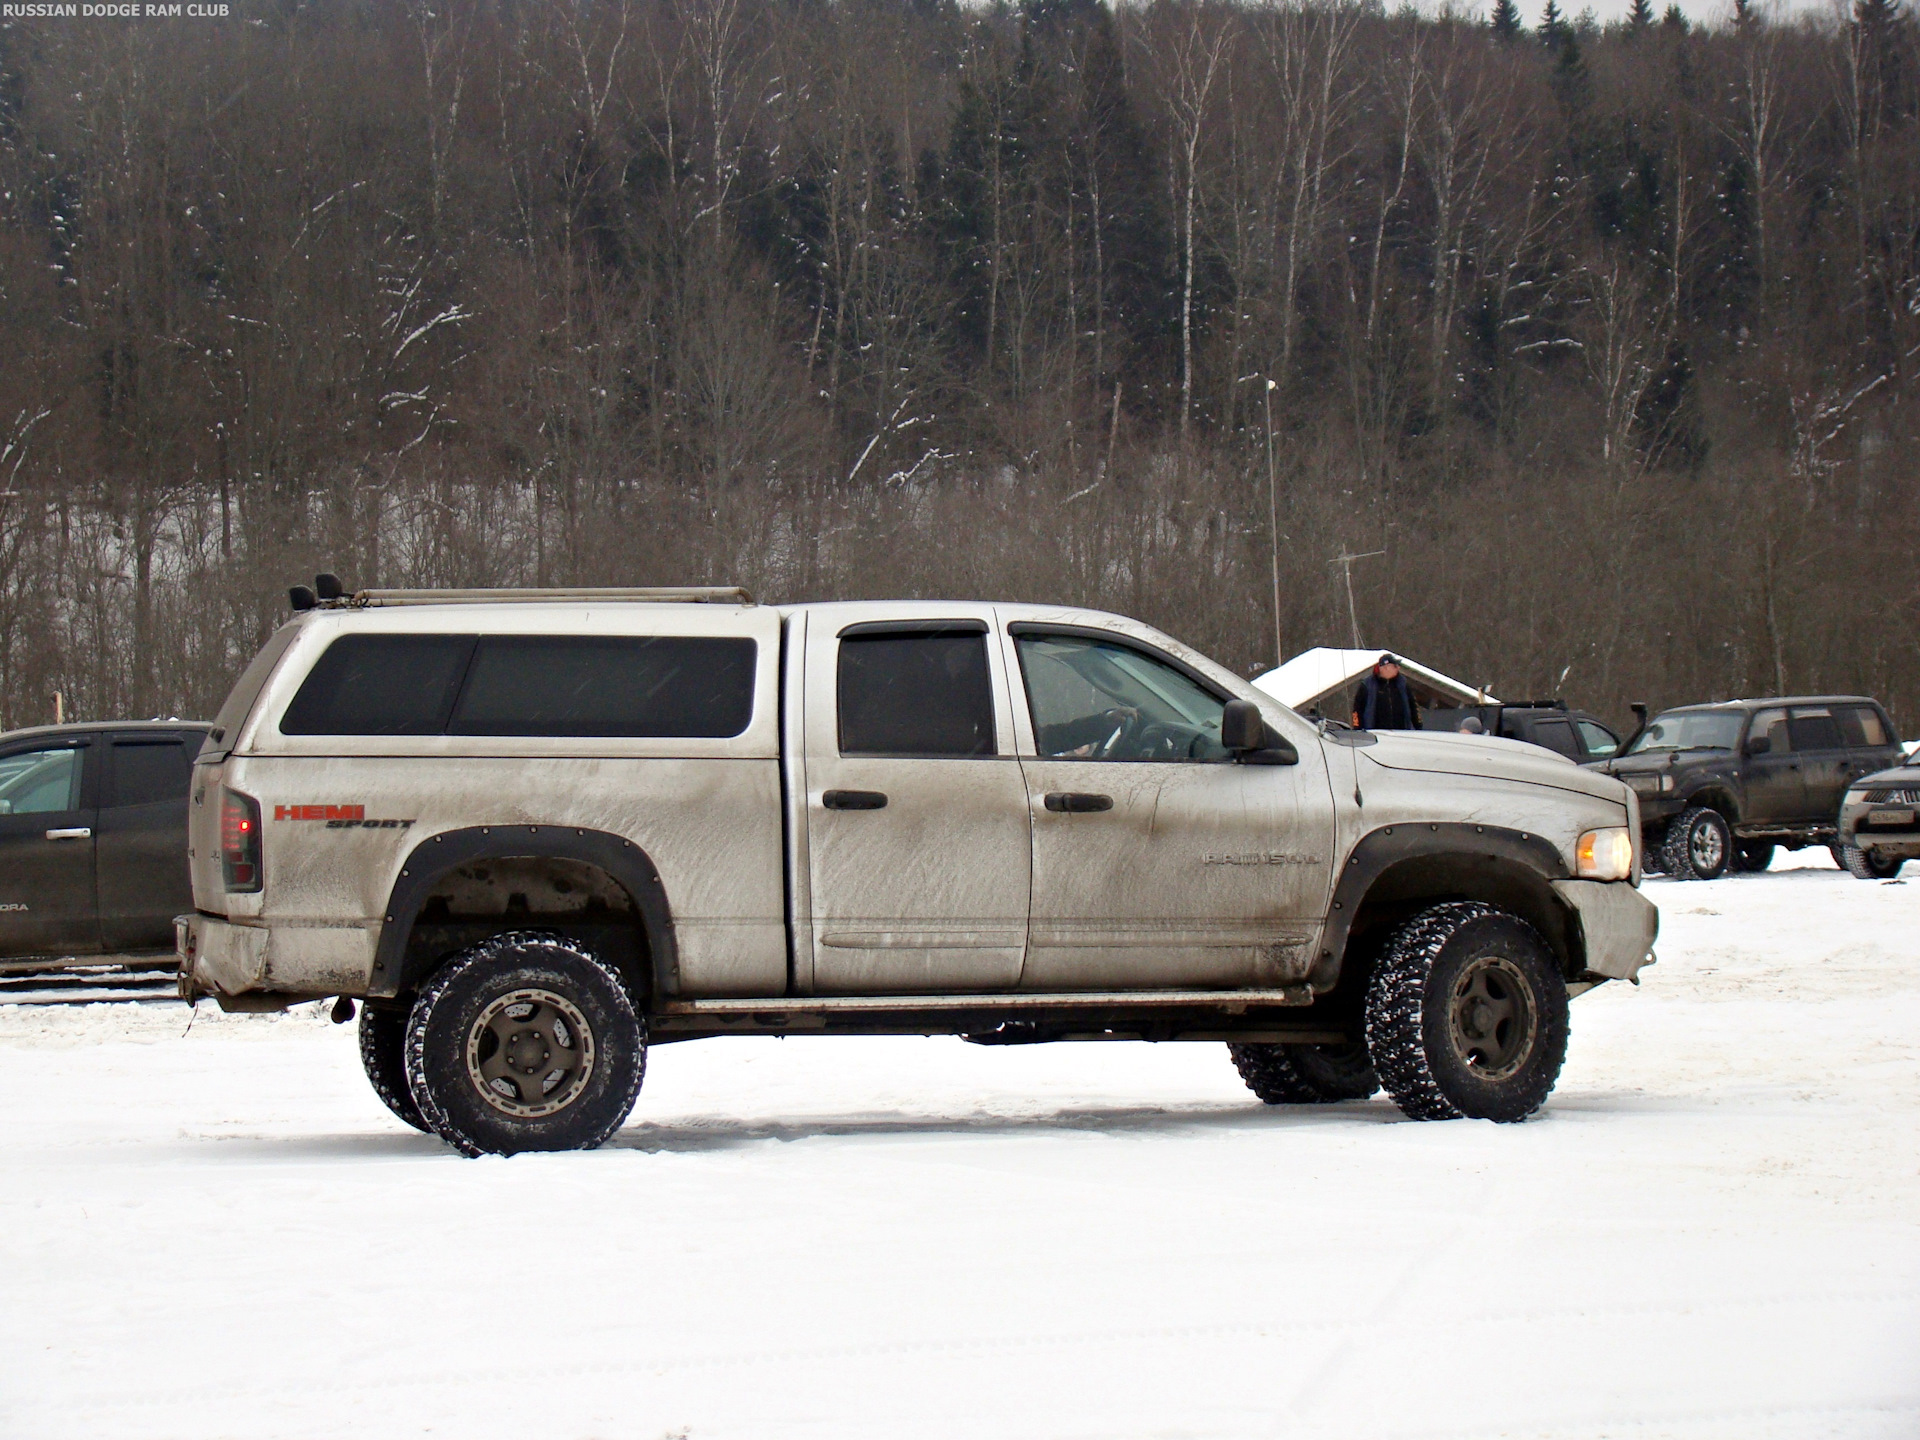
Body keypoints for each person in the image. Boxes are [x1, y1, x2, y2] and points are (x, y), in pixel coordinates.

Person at [1351, 654, 1422, 731]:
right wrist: (1357, 728)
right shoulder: (1367, 685)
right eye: (1395, 666)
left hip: (1402, 733)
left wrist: (1418, 726)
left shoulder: (1403, 684)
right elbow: (1357, 709)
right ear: (1385, 668)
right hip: (1375, 734)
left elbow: (1413, 707)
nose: (1398, 668)